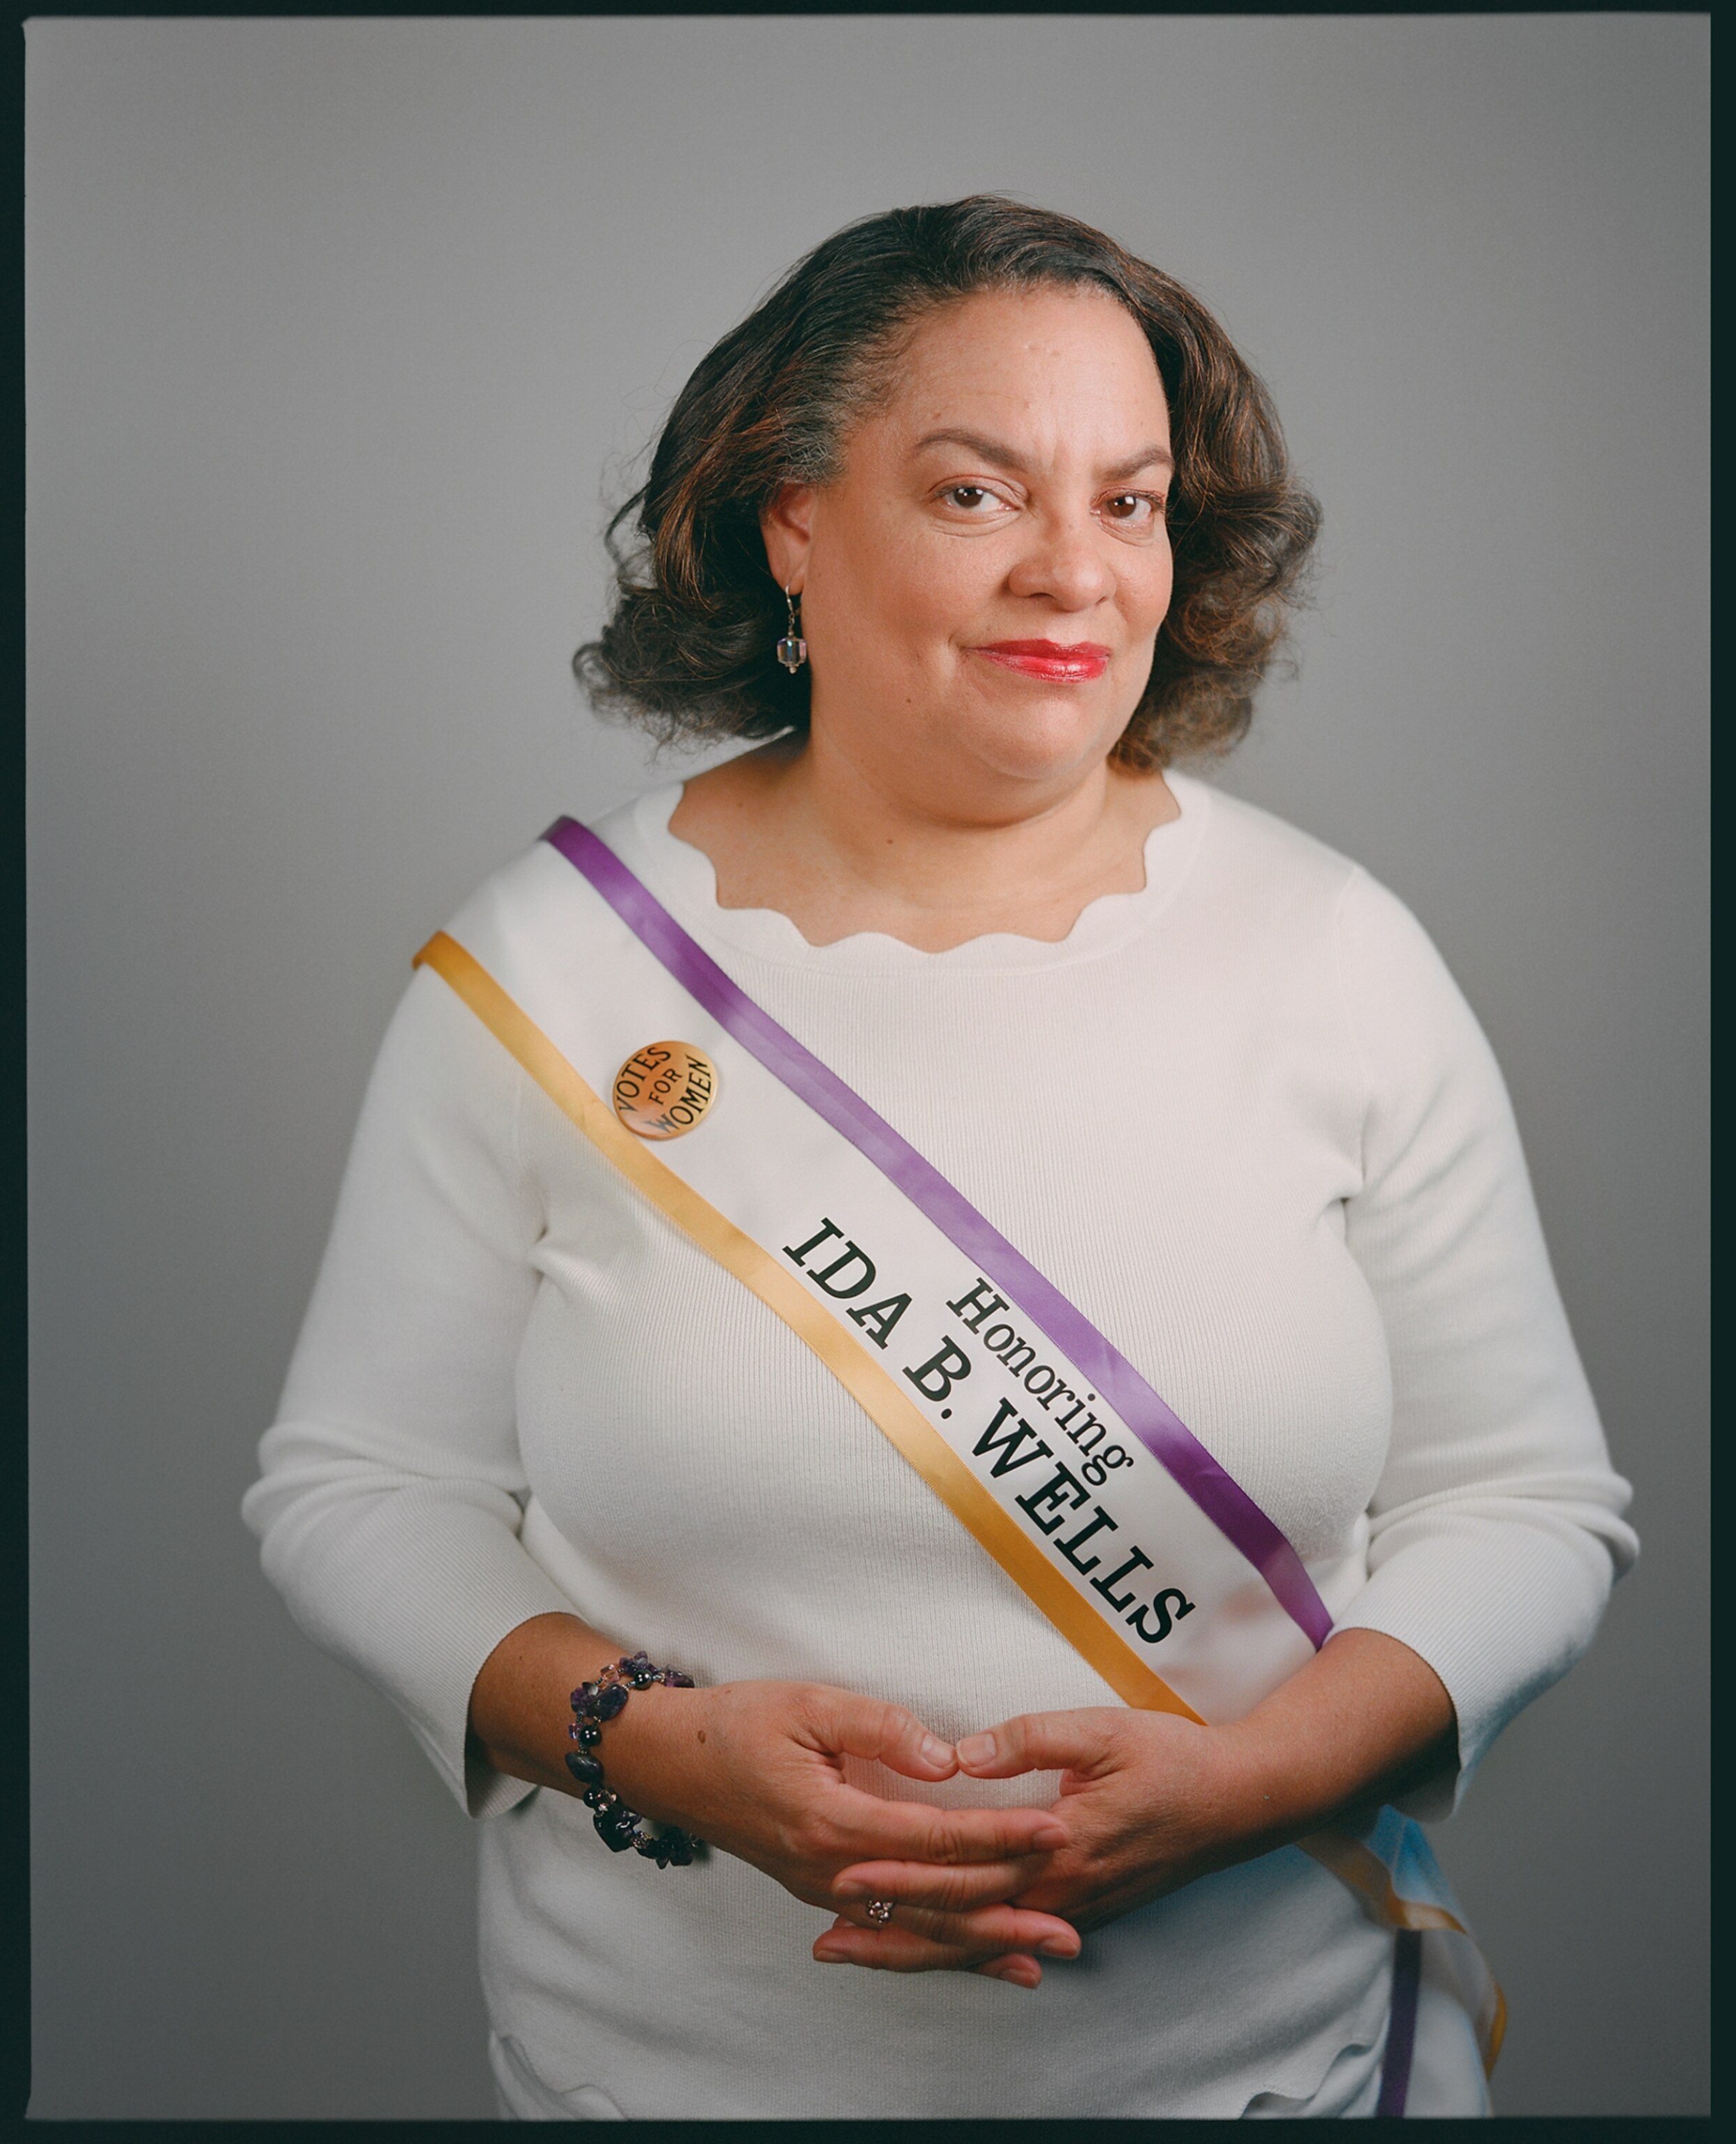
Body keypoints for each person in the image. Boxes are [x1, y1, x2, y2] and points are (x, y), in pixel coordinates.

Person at [243, 198, 1636, 2120]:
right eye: (981, 494)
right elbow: (359, 1488)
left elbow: (1531, 1501)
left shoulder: (1339, 955)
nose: (1077, 572)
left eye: (1130, 502)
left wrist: (1258, 1779)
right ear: (790, 519)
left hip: (1289, 2089)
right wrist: (651, 1745)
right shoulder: (549, 979)